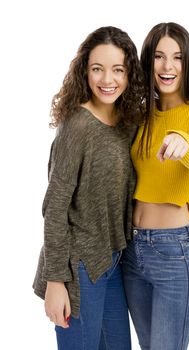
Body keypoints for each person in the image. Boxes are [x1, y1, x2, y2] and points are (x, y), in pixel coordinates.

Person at [32, 26, 145, 350]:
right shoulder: (77, 126)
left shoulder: (127, 123)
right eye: (98, 69)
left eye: (117, 70)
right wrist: (56, 281)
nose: (107, 79)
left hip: (112, 263)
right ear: (85, 71)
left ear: (129, 74)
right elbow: (54, 208)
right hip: (77, 267)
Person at [121, 22, 189, 350]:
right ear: (147, 62)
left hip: (174, 254)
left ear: (188, 63)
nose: (167, 66)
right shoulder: (140, 117)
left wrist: (185, 143)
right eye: (159, 57)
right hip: (132, 252)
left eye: (177, 57)